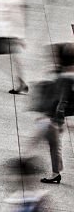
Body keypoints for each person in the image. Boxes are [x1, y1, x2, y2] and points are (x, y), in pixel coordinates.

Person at [35, 43, 73, 184]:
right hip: (60, 114)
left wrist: (57, 119)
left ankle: (56, 172)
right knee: (55, 143)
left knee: (54, 143)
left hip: (58, 116)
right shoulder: (64, 73)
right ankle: (56, 170)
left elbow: (62, 101)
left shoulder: (65, 77)